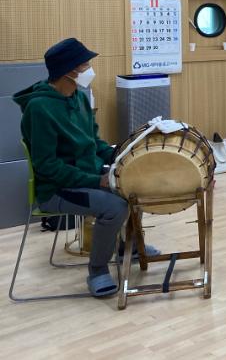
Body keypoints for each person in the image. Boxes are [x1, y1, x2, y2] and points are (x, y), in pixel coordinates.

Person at [13, 38, 145, 297]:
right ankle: (97, 271)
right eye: (85, 65)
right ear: (69, 71)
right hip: (56, 189)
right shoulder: (39, 109)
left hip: (85, 177)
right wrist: (97, 181)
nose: (89, 70)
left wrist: (123, 154)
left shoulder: (79, 99)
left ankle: (128, 248)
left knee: (134, 186)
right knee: (115, 207)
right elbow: (47, 167)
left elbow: (95, 143)